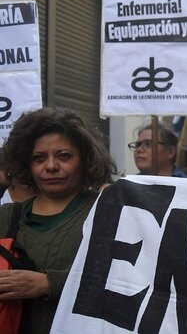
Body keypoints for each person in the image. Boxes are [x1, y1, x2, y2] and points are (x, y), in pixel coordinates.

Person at [0, 107, 116, 334]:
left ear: (85, 159)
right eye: (39, 158)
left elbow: (123, 281)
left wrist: (49, 284)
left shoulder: (106, 212)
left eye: (63, 156)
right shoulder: (5, 215)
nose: (51, 166)